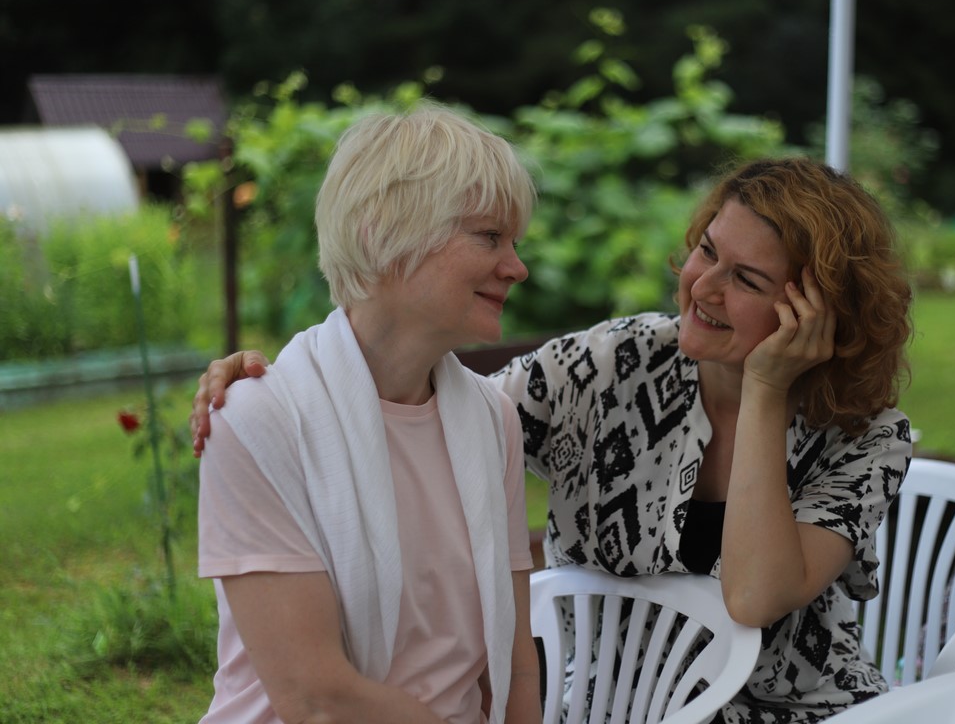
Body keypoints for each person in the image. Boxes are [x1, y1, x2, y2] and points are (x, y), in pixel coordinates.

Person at [193, 156, 916, 723]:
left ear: (818, 312)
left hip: (795, 713)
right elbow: (427, 406)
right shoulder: (613, 366)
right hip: (613, 709)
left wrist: (764, 391)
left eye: (747, 279)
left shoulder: (866, 441)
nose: (703, 286)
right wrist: (287, 386)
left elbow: (755, 596)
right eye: (707, 251)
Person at [195, 104, 541, 724]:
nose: (517, 267)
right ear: (385, 233)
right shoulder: (258, 417)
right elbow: (316, 700)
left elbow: (514, 668)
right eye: (490, 236)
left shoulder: (493, 420)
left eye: (514, 242)